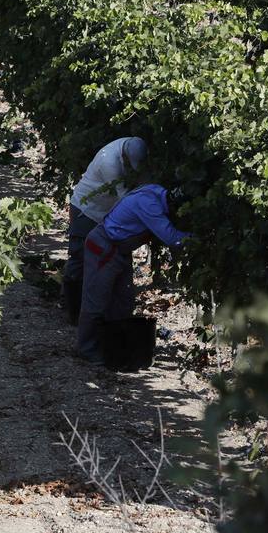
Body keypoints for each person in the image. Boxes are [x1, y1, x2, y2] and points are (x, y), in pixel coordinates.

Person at [76, 183, 189, 364]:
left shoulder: (156, 191)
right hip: (104, 248)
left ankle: (114, 346)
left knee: (124, 300)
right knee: (96, 300)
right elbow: (172, 238)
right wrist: (201, 239)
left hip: (120, 250)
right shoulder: (150, 205)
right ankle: (87, 349)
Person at [62, 137, 148, 323]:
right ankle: (73, 311)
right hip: (87, 211)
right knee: (79, 259)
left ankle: (108, 314)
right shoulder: (109, 161)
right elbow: (125, 200)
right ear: (124, 156)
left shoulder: (131, 148)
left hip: (107, 213)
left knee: (115, 261)